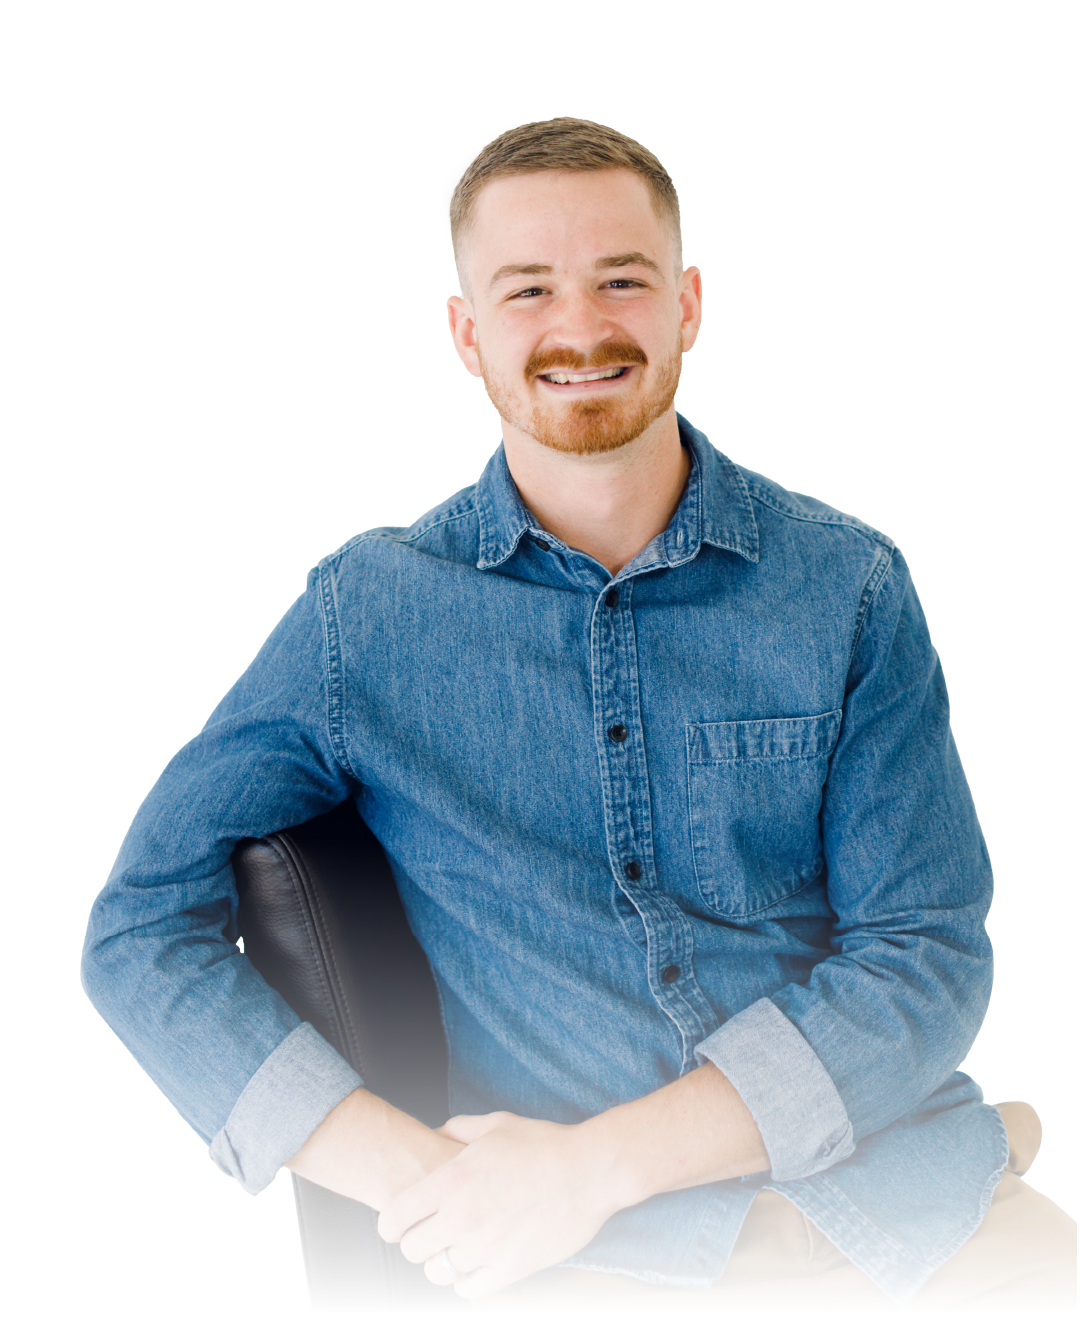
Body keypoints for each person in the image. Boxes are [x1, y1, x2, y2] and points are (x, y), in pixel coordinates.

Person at [82, 117, 1074, 1310]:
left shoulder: (846, 587)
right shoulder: (369, 615)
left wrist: (590, 1166)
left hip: (917, 1205)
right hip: (603, 1273)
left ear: (688, 304)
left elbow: (928, 953)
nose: (581, 327)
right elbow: (139, 927)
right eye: (528, 289)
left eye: (622, 280)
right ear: (465, 332)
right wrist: (419, 1174)